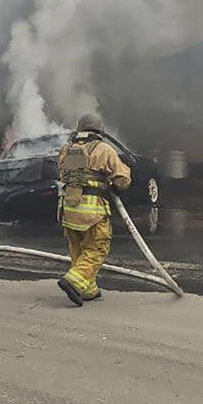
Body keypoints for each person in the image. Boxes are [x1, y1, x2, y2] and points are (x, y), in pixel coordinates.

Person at [57, 113, 131, 306]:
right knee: (97, 247)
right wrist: (115, 184)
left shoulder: (66, 149)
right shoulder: (103, 149)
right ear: (100, 130)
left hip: (68, 209)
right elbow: (122, 178)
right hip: (92, 212)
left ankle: (87, 289)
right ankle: (74, 281)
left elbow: (62, 173)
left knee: (79, 250)